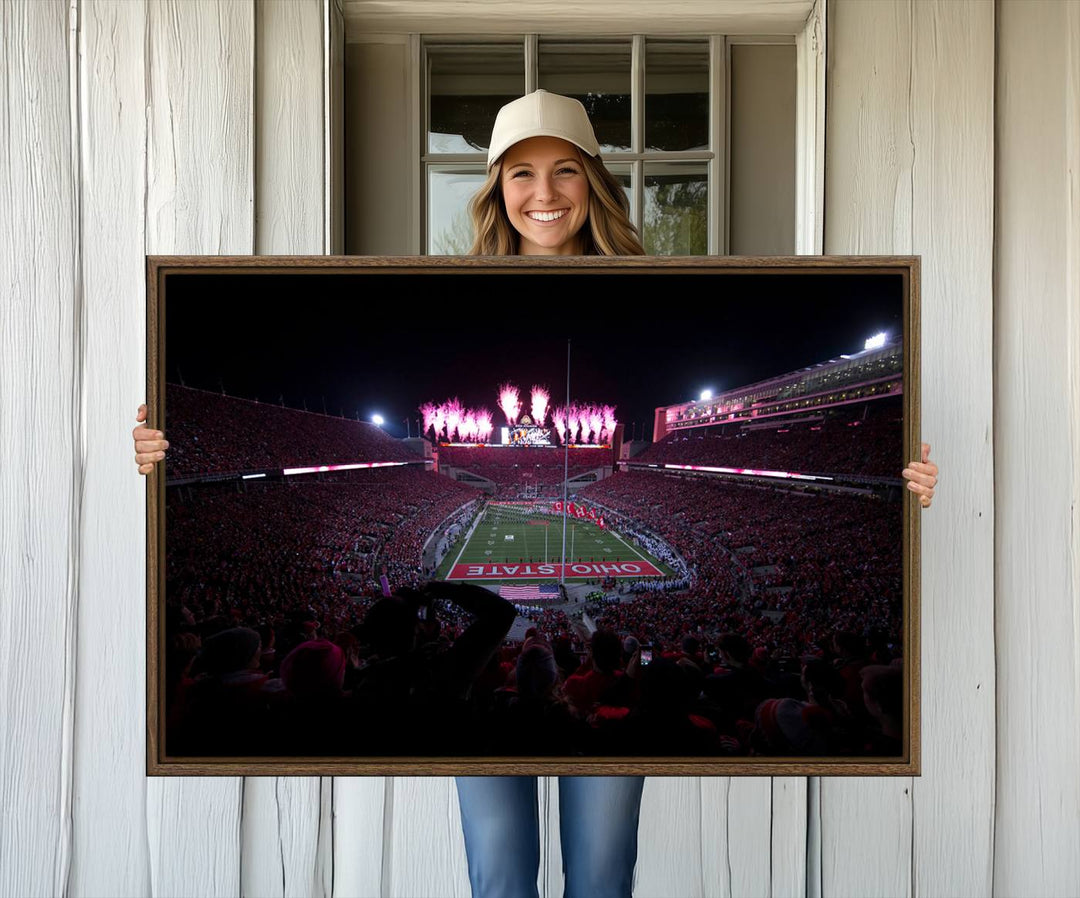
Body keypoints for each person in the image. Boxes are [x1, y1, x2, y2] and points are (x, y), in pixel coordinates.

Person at [132, 89, 940, 898]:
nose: (544, 193)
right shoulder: (441, 269)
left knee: (599, 871)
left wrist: (906, 477)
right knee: (500, 871)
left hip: (542, 720)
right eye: (520, 173)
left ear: (596, 180)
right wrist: (158, 448)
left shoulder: (658, 270)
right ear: (494, 186)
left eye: (565, 171)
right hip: (495, 725)